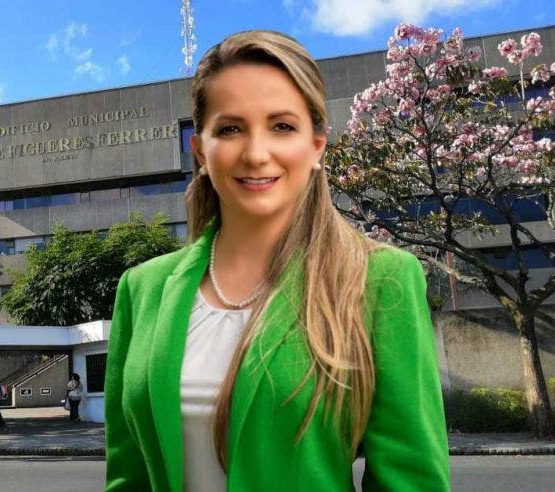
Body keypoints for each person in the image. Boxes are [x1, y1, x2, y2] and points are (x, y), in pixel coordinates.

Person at [104, 30, 450, 491]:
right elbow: (127, 475)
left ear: (317, 145)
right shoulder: (141, 288)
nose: (256, 153)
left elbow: (413, 481)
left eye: (282, 126)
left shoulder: (381, 279)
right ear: (200, 151)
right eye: (230, 128)